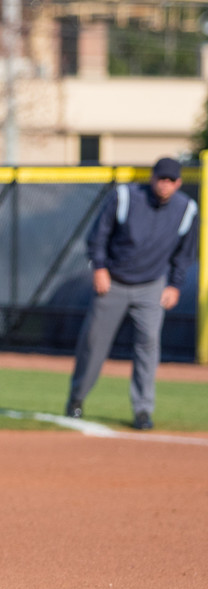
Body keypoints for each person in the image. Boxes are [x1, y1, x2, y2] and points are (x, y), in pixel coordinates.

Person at [65, 156, 199, 430]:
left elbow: (184, 255)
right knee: (93, 343)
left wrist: (174, 285)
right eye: (161, 178)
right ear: (152, 178)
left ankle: (142, 410)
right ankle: (77, 398)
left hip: (151, 287)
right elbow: (98, 236)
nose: (165, 185)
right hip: (113, 282)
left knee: (148, 346)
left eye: (171, 180)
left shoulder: (186, 209)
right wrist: (99, 268)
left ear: (179, 183)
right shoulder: (126, 196)